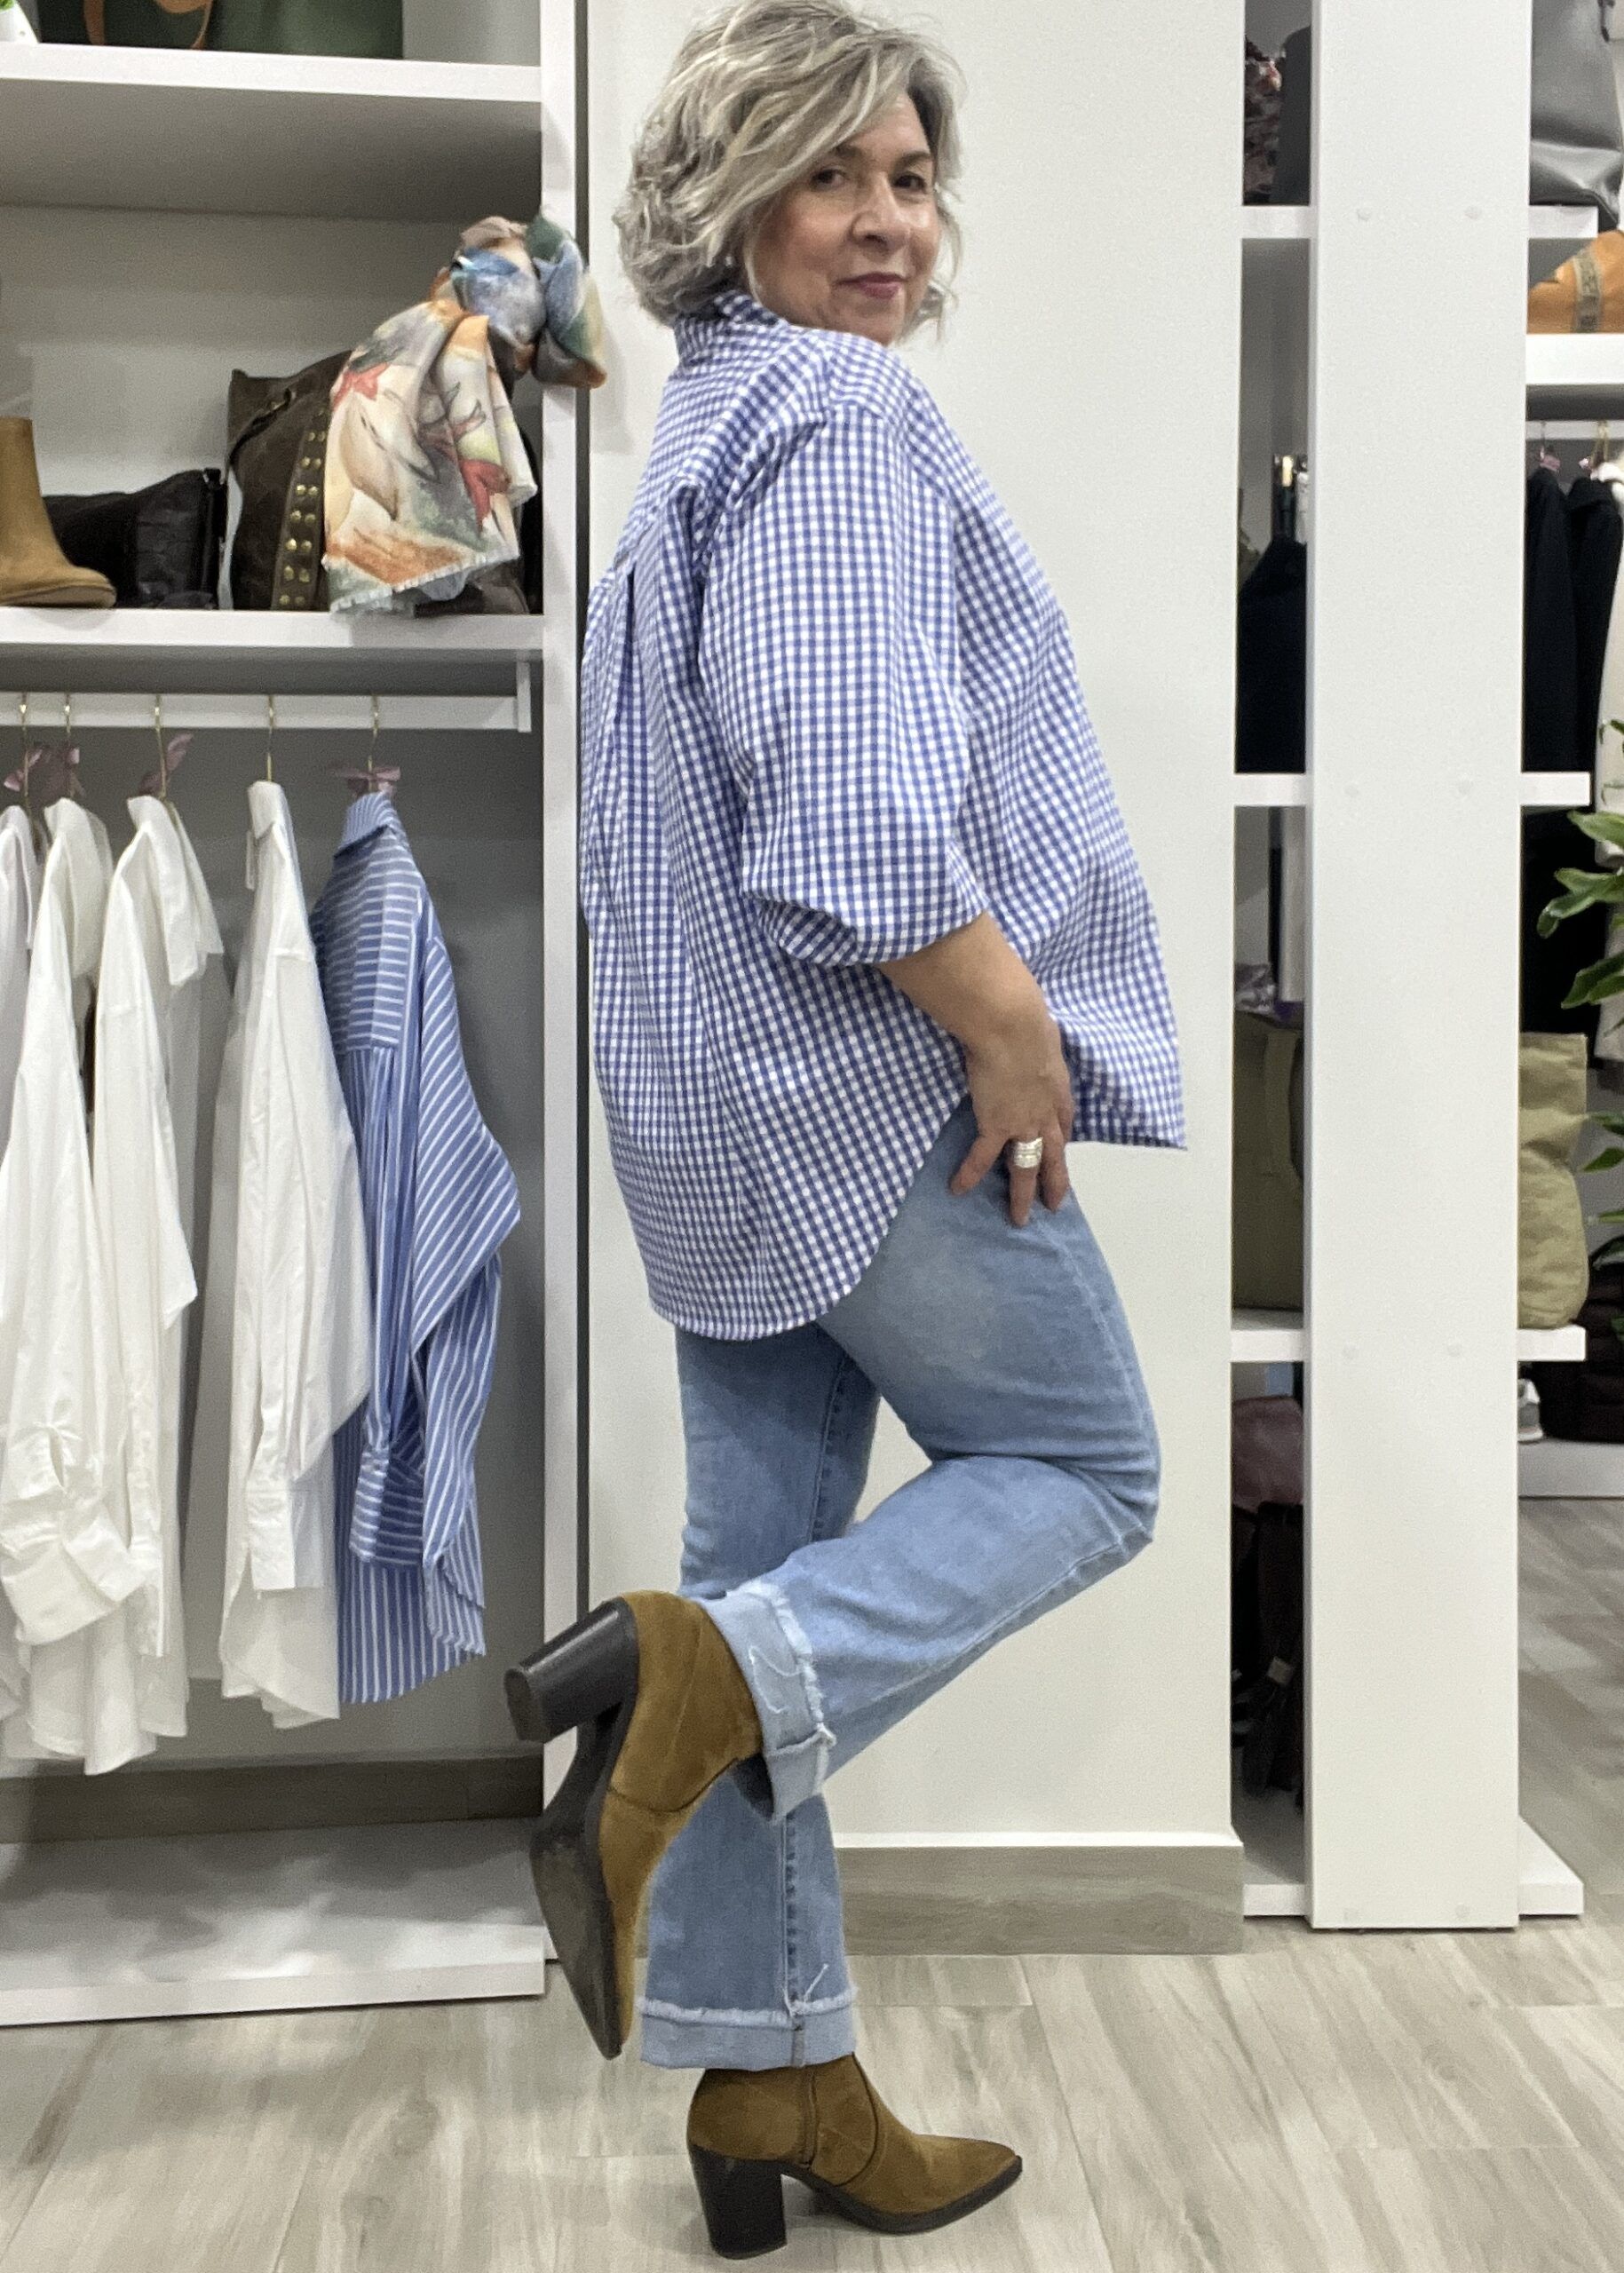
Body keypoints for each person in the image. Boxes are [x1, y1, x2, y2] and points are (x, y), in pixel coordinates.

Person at [508, 0, 1184, 2255]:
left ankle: (770, 2067)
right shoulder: (838, 416)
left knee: (764, 1579)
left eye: (910, 178)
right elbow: (852, 823)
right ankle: (689, 1698)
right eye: (831, 175)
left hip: (722, 1118)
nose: (890, 224)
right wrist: (1011, 1029)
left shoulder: (706, 429)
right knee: (1083, 1469)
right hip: (861, 1092)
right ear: (730, 204)